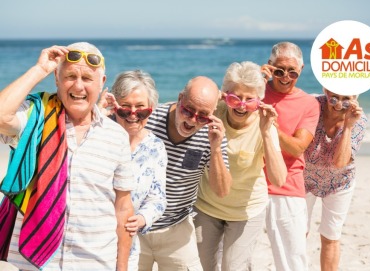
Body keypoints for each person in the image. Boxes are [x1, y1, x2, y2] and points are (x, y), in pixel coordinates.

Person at [0, 43, 134, 271]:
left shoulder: (117, 136)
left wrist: (122, 268)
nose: (78, 86)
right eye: (70, 76)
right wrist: (39, 69)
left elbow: (123, 209)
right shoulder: (35, 117)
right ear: (56, 78)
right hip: (36, 266)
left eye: (87, 78)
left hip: (95, 262)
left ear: (101, 83)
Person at [194, 61, 287, 271]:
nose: (242, 105)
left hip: (246, 211)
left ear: (260, 101)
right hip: (207, 206)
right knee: (202, 266)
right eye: (235, 98)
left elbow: (279, 179)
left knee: (233, 267)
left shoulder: (265, 126)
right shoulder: (212, 113)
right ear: (225, 95)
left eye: (249, 99)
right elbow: (182, 112)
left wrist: (265, 132)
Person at [137, 76, 232, 271]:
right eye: (188, 110)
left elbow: (222, 191)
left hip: (176, 227)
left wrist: (215, 149)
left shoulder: (213, 135)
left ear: (213, 113)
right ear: (180, 98)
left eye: (203, 116)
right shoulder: (150, 118)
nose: (192, 120)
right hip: (136, 225)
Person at [97, 70, 168, 271]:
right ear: (115, 107)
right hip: (89, 239)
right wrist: (97, 114)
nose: (133, 115)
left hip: (128, 243)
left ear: (151, 109)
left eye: (140, 109)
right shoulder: (98, 134)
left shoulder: (155, 146)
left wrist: (143, 218)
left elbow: (158, 198)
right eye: (125, 108)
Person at [260, 41, 320, 270]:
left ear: (301, 70)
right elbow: (225, 104)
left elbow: (297, 147)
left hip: (288, 185)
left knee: (293, 260)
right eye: (279, 70)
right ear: (269, 66)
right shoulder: (255, 90)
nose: (285, 76)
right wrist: (252, 80)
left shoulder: (308, 104)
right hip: (250, 182)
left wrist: (271, 125)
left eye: (292, 72)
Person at [304, 88, 367, 271]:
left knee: (330, 235)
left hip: (339, 182)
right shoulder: (312, 106)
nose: (339, 105)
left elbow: (340, 162)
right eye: (333, 99)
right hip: (305, 177)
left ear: (355, 98)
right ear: (326, 91)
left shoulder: (360, 121)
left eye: (346, 100)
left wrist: (348, 126)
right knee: (299, 232)